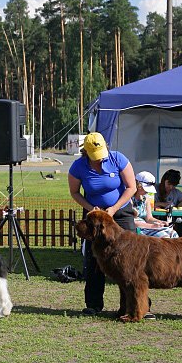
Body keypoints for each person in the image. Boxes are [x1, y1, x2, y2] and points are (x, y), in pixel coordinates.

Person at [68, 132, 140, 317]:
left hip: (121, 212)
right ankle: (93, 304)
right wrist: (92, 209)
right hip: (94, 216)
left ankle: (137, 305)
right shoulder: (78, 167)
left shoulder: (118, 159)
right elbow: (75, 192)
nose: (100, 160)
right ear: (86, 153)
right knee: (94, 260)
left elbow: (131, 187)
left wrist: (114, 209)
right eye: (95, 157)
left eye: (102, 156)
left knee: (132, 260)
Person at [132, 171, 179, 238]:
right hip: (137, 229)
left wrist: (160, 222)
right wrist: (153, 226)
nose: (147, 192)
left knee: (173, 234)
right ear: (139, 186)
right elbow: (131, 222)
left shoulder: (145, 199)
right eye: (146, 189)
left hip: (147, 226)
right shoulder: (129, 199)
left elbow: (149, 218)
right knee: (164, 237)